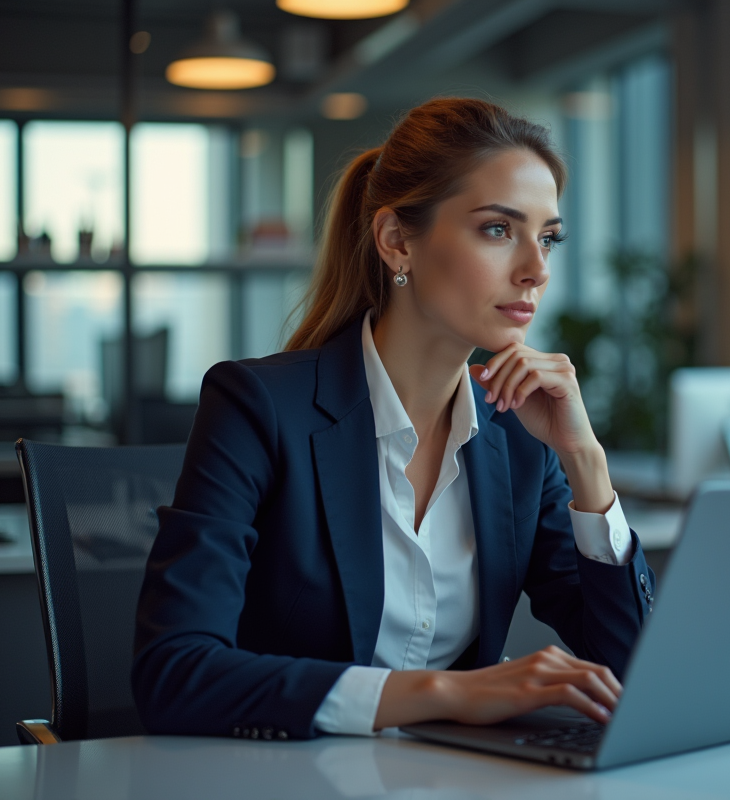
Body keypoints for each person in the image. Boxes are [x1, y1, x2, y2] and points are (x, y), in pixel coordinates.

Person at [132, 98, 656, 740]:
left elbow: (632, 673)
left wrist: (586, 463)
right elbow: (174, 671)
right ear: (396, 241)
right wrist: (444, 693)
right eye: (498, 229)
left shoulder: (520, 436)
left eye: (548, 237)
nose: (536, 269)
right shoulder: (258, 407)